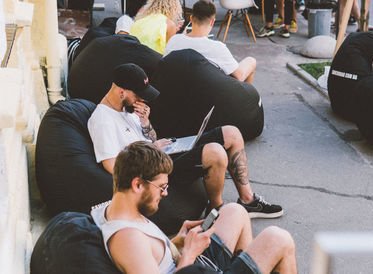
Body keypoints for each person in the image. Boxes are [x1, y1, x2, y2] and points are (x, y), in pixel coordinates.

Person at [88, 63, 283, 218]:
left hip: (162, 153)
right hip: (156, 170)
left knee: (231, 133)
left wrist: (147, 125)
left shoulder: (128, 109)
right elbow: (113, 166)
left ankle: (248, 200)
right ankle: (215, 212)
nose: (142, 100)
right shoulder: (103, 120)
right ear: (121, 92)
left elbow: (150, 138)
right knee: (214, 152)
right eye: (138, 95)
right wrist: (151, 156)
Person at [90, 141, 298, 274]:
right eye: (161, 187)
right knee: (278, 239)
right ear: (137, 184)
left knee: (235, 212)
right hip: (190, 266)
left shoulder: (116, 207)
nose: (165, 194)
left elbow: (152, 257)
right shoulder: (128, 240)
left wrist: (176, 244)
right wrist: (189, 253)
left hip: (195, 264)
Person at [165, 0, 257, 83]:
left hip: (178, 91)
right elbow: (239, 77)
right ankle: (248, 100)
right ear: (212, 22)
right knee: (251, 61)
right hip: (208, 96)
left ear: (191, 18)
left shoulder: (174, 40)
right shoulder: (217, 48)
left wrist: (182, 37)